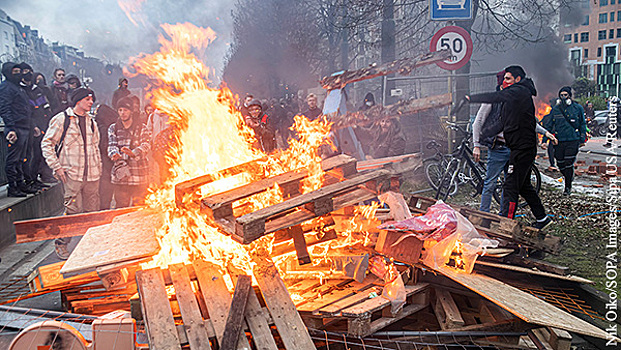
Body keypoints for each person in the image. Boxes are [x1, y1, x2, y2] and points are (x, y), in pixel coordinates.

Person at [466, 65, 551, 230]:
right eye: (503, 79)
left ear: (517, 80)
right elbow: (499, 123)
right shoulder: (513, 98)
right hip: (510, 148)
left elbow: (528, 121)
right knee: (523, 186)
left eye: (508, 79)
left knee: (510, 187)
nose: (505, 82)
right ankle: (542, 218)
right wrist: (483, 136)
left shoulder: (519, 93)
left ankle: (506, 224)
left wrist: (470, 98)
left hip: (521, 148)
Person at [41, 87, 102, 259]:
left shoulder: (91, 121)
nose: (91, 102)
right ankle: (61, 243)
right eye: (88, 99)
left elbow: (95, 146)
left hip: (92, 175)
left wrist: (99, 168)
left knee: (92, 213)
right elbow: (47, 144)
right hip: (71, 175)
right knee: (72, 211)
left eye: (92, 99)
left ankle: (90, 247)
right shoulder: (62, 120)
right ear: (78, 100)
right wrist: (57, 167)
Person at [0, 62, 37, 197]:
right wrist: (11, 128)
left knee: (22, 159)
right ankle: (13, 186)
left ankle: (21, 184)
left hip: (24, 126)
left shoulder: (18, 88)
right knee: (13, 160)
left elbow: (26, 109)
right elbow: (5, 108)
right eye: (15, 73)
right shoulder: (6, 88)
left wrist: (32, 125)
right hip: (16, 127)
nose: (19, 75)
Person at [543, 86, 587, 196]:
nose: (563, 97)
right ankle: (568, 176)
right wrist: (545, 140)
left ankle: (567, 187)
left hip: (573, 139)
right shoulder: (555, 109)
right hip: (559, 141)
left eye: (565, 95)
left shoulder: (577, 108)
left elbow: (582, 124)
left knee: (569, 163)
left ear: (569, 96)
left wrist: (582, 138)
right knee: (560, 163)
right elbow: (549, 125)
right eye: (561, 95)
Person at [108, 97, 151, 208]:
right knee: (121, 207)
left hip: (139, 174)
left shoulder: (142, 127)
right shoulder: (114, 128)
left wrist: (134, 153)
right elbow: (111, 145)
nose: (122, 113)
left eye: (125, 110)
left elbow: (146, 145)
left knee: (140, 207)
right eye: (120, 110)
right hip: (121, 176)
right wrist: (114, 154)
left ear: (131, 111)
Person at [21, 63, 55, 187]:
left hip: (44, 124)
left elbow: (45, 106)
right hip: (31, 127)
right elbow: (26, 111)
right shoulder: (21, 91)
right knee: (30, 155)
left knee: (40, 154)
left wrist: (49, 120)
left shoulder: (38, 90)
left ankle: (37, 178)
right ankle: (29, 180)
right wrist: (34, 125)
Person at [95, 104, 118, 209]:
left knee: (104, 195)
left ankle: (103, 214)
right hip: (114, 163)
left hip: (104, 165)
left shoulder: (101, 128)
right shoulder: (115, 126)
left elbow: (102, 146)